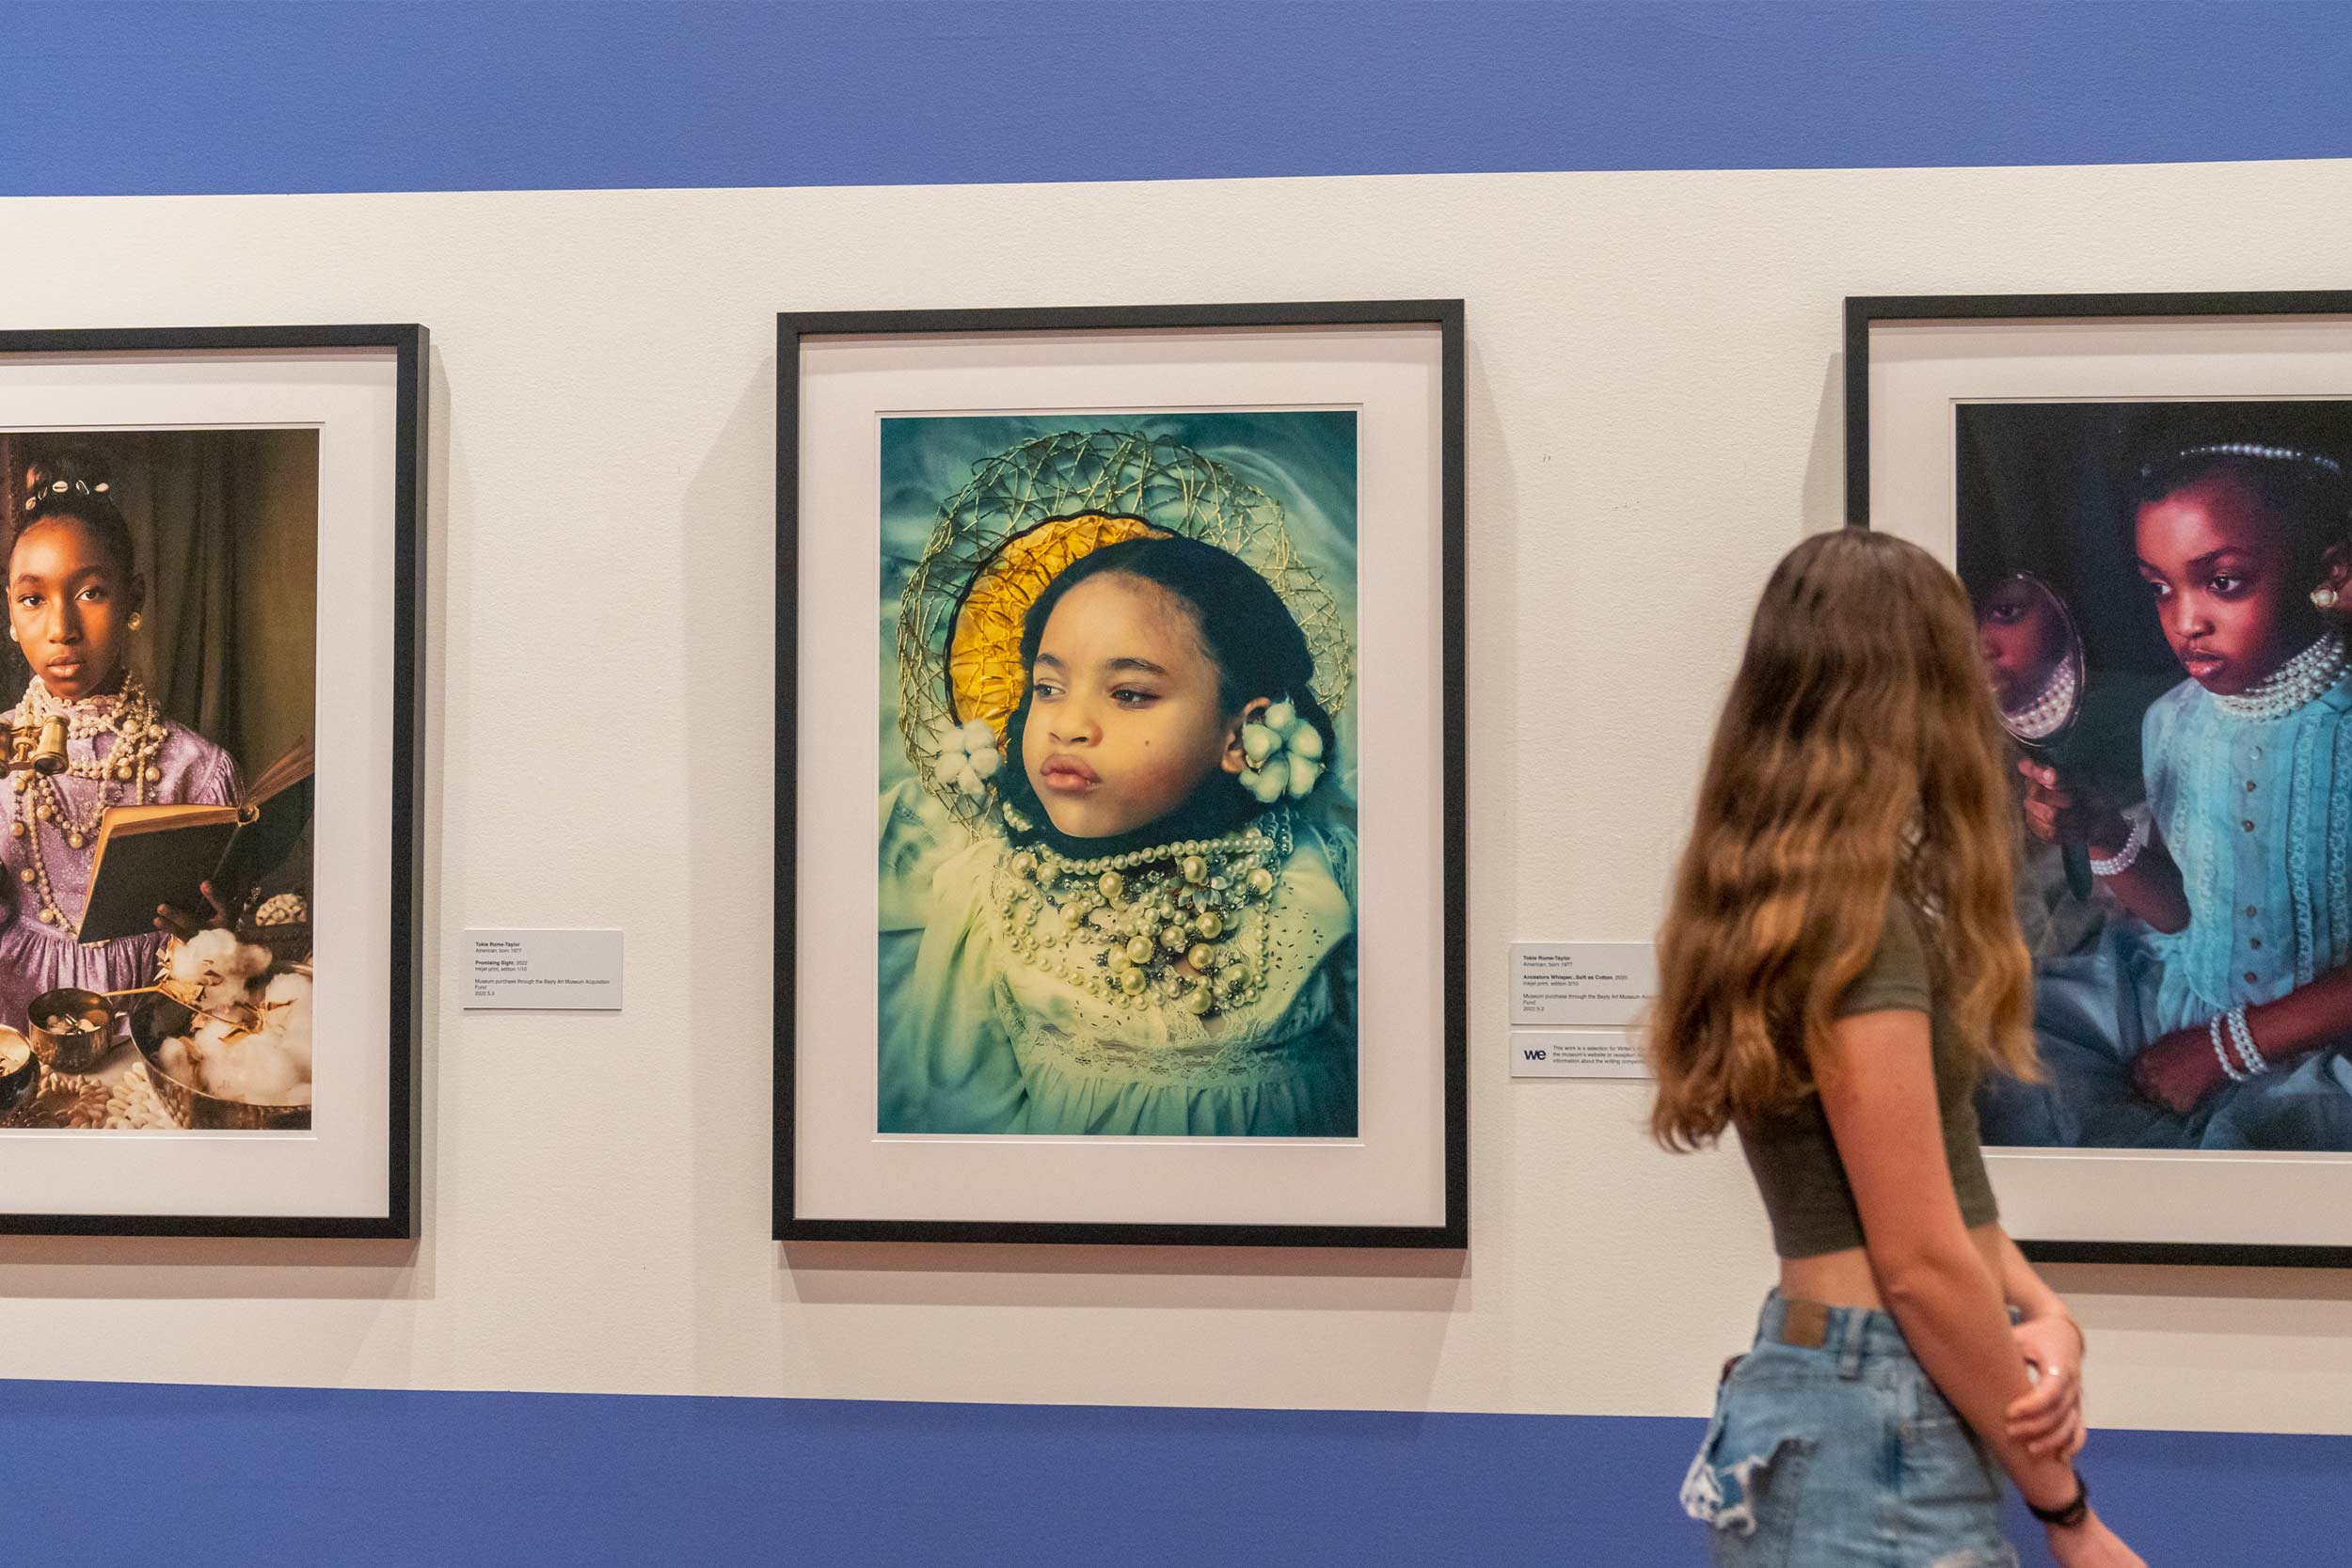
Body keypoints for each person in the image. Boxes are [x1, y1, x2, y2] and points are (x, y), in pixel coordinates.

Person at [1647, 530, 2141, 1567]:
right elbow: (1917, 1259)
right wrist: (2068, 1514)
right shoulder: (1855, 925)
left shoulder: (1802, 906)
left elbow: (1942, 1179)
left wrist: (2047, 1312)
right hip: (1870, 1394)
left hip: (1833, 1380)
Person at [881, 530, 1356, 1136]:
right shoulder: (993, 899)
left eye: (1129, 694)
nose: (1068, 725)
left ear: (1240, 736)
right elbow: (964, 1132)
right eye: (1048, 688)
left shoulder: (1327, 872)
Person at [1984, 424, 2352, 1148]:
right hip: (2185, 1000)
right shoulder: (2171, 723)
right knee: (2003, 1067)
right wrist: (2106, 836)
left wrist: (2224, 1049)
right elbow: (2184, 911)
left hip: (2325, 1047)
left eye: (2223, 582)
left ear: (2330, 572)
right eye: (2160, 588)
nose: (2185, 622)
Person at [0, 451, 239, 1034]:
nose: (62, 629)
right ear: (10, 609)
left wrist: (215, 932)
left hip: (152, 1018)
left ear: (133, 599)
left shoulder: (196, 769)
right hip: (13, 1017)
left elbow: (220, 945)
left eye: (90, 593)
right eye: (33, 599)